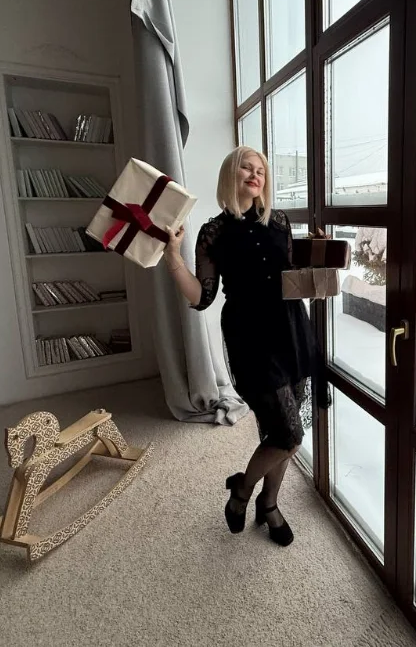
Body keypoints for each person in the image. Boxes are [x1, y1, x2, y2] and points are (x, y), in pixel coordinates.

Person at [164, 146, 323, 547]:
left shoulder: (279, 221)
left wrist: (318, 270)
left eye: (261, 171)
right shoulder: (213, 232)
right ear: (229, 176)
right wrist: (172, 257)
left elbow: (288, 277)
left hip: (291, 331)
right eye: (246, 168)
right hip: (250, 337)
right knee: (289, 435)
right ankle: (242, 489)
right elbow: (201, 297)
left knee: (278, 430)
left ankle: (268, 503)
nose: (255, 175)